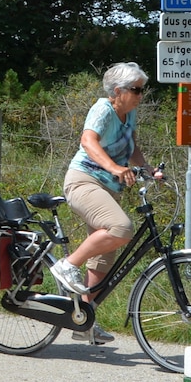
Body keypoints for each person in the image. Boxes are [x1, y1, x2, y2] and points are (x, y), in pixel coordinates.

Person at [47, 62, 165, 340]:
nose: (140, 95)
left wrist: (147, 169)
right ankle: (67, 265)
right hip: (83, 181)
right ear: (117, 91)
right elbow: (88, 141)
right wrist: (114, 168)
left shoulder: (129, 113)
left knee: (102, 261)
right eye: (136, 90)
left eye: (141, 90)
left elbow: (132, 146)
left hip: (108, 188)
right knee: (121, 228)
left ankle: (83, 321)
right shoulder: (104, 109)